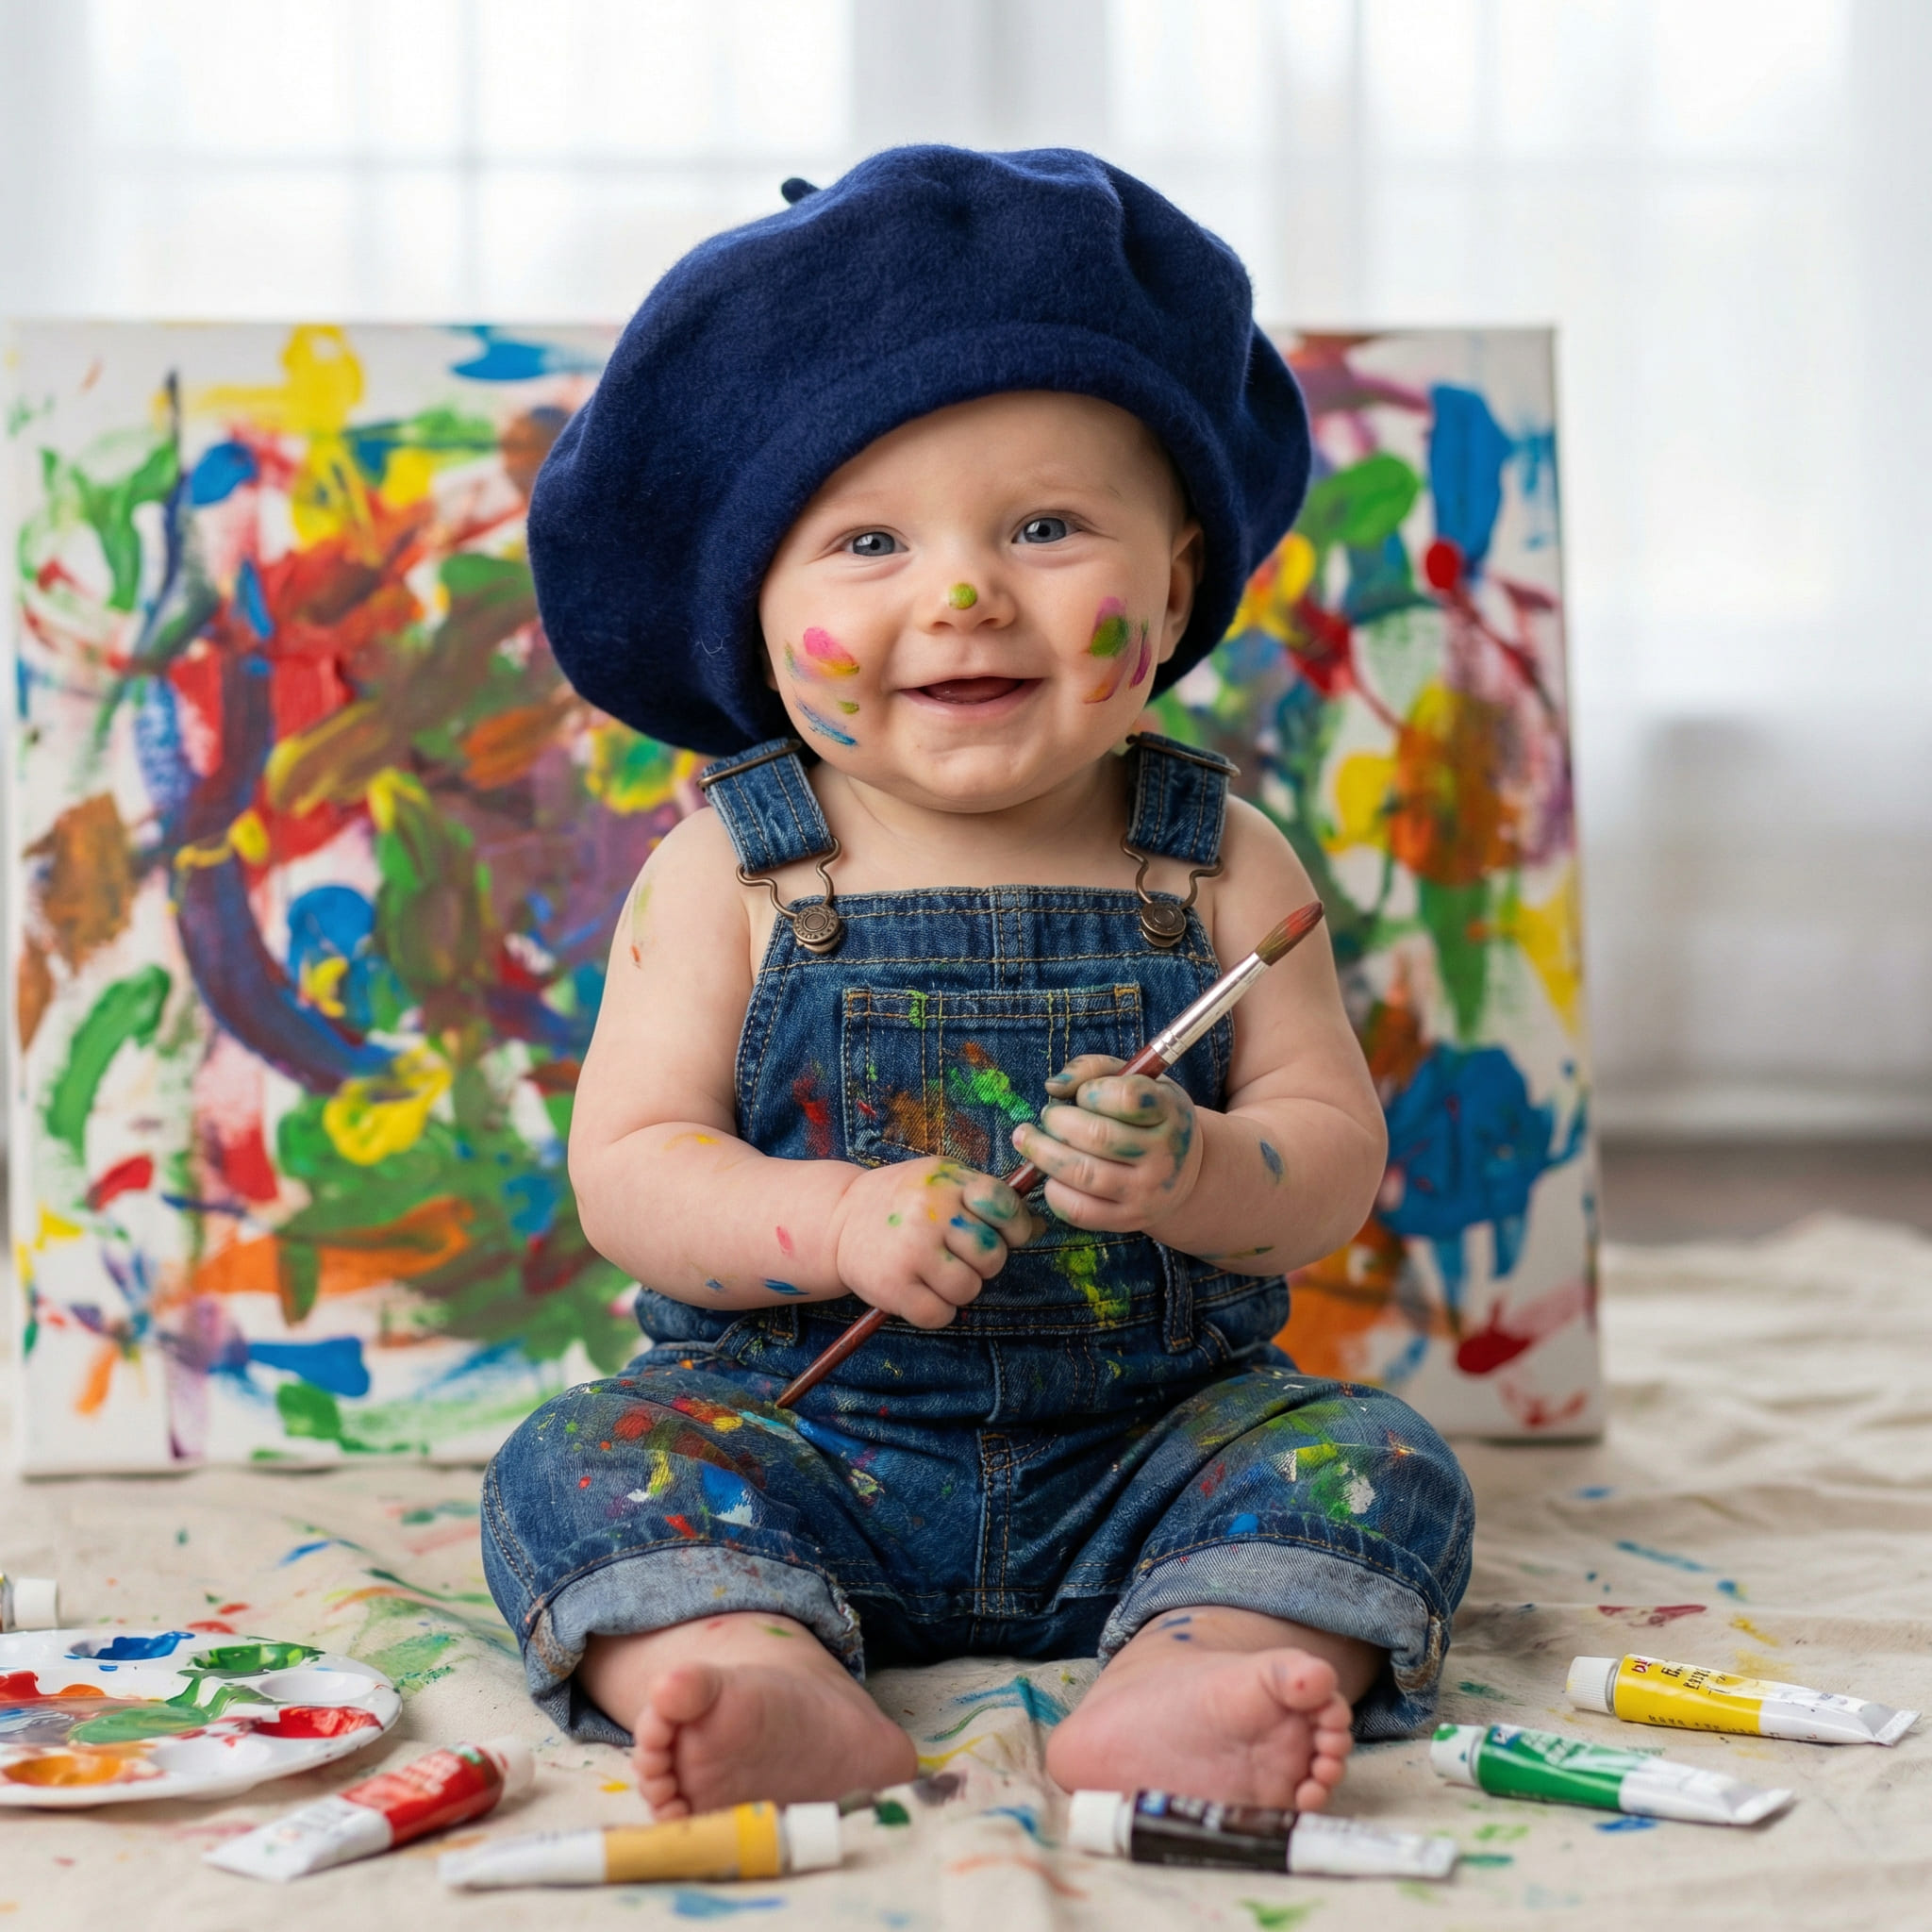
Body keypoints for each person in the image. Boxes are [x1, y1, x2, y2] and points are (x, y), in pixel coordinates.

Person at [482, 146, 1474, 1823]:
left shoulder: (1224, 858)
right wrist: (835, 1225)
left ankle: (1196, 1670)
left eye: (1045, 525)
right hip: (796, 1443)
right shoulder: (729, 871)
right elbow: (631, 1171)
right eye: (866, 539)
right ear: (757, 609)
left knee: (1378, 1466)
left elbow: (1331, 1162)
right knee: (575, 1471)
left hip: (1159, 1446)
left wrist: (1206, 1170)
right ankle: (761, 1670)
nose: (960, 591)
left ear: (1171, 577)